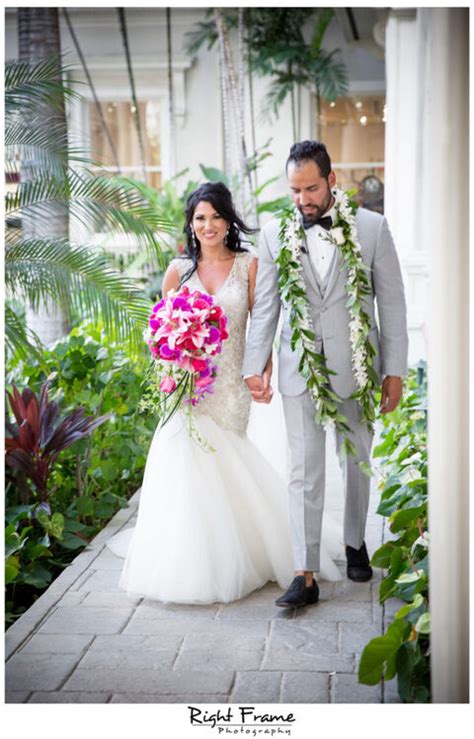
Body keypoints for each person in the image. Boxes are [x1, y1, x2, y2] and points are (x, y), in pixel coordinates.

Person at [106, 181, 342, 605]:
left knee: (226, 460)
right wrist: (172, 356)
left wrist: (262, 370)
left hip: (230, 385)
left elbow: (264, 323)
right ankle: (191, 562)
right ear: (191, 224)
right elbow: (160, 332)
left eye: (216, 216)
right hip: (186, 383)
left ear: (228, 219)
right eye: (200, 218)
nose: (208, 225)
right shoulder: (179, 271)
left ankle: (247, 550)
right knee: (183, 461)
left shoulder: (248, 265)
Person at [243, 141, 408, 609]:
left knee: (355, 460)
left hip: (357, 367)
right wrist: (254, 366)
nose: (303, 200)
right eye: (295, 190)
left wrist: (392, 369)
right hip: (300, 370)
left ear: (331, 181)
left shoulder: (373, 229)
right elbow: (267, 306)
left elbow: (391, 304)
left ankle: (356, 541)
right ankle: (304, 571)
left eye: (311, 188)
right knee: (303, 471)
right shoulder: (275, 234)